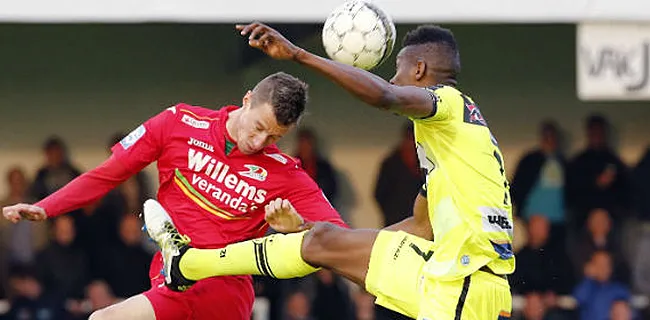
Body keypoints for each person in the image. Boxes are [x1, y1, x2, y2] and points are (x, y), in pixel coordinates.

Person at [146, 22, 515, 320]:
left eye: (398, 71)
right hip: (449, 274)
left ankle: (188, 264)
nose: (393, 79)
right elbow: (422, 225)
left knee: (324, 242)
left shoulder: (447, 103)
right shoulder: (457, 141)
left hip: (465, 282)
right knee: (322, 240)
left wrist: (298, 55)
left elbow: (385, 97)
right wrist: (333, 246)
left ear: (419, 69)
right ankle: (187, 264)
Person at [2, 72, 347, 320]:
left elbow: (341, 238)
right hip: (171, 283)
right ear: (246, 101)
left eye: (273, 137)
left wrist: (299, 225)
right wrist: (46, 207)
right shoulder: (178, 123)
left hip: (223, 295)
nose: (259, 143)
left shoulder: (286, 171)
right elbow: (109, 173)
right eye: (257, 127)